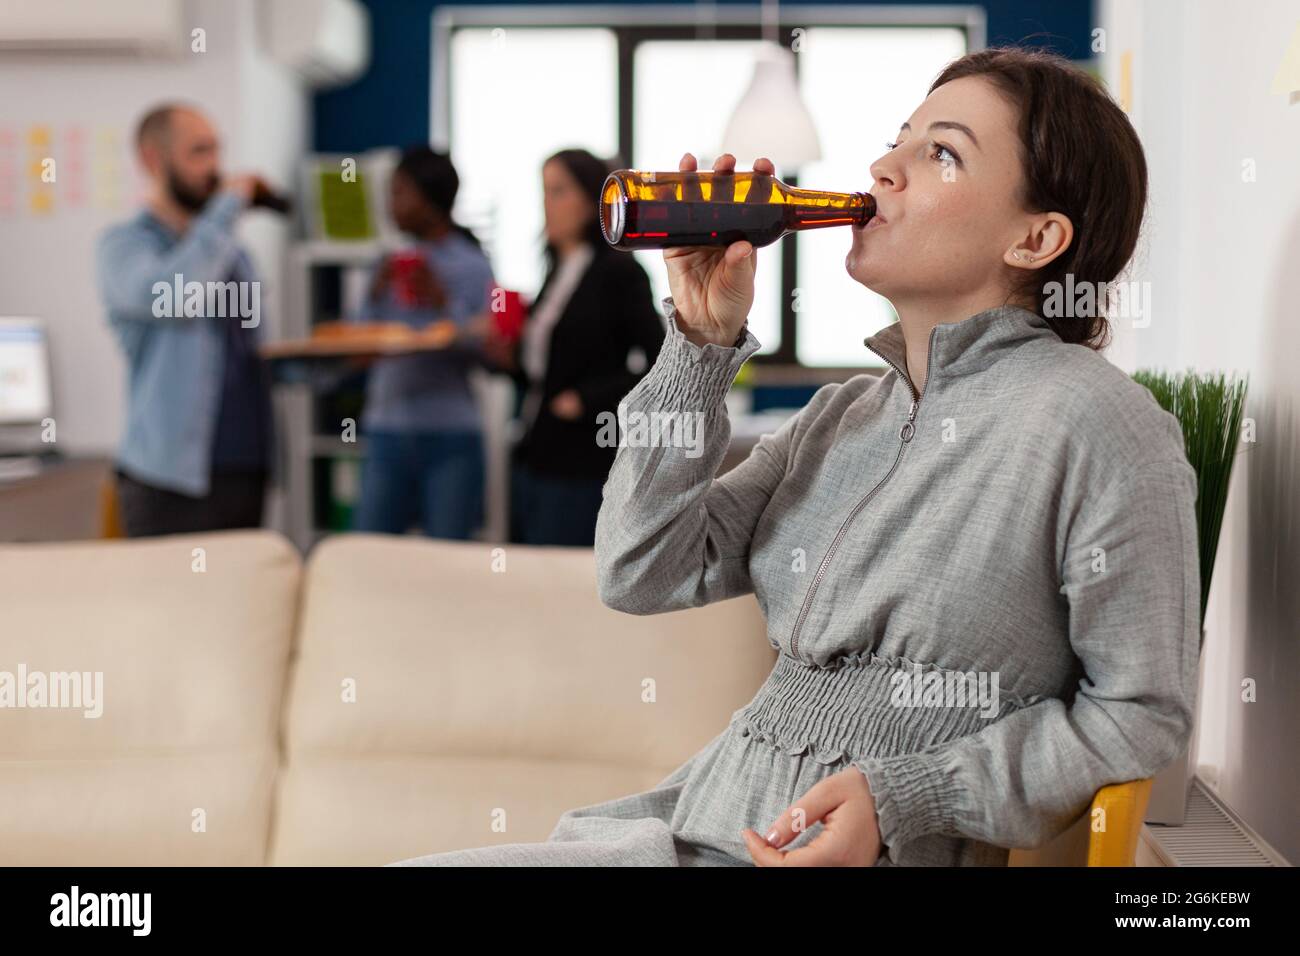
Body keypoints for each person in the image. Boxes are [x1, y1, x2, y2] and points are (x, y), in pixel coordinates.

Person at [391, 47, 1200, 867]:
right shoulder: (843, 415)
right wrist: (698, 347)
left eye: (942, 152)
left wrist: (904, 797)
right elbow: (640, 570)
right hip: (691, 831)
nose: (883, 168)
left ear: (1036, 238)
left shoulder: (1099, 424)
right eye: (898, 140)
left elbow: (1139, 713)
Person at [97, 103, 276, 537]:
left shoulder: (232, 255)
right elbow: (177, 296)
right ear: (152, 160)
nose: (215, 168)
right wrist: (227, 209)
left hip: (244, 469)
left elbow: (251, 353)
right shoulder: (125, 248)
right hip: (168, 482)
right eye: (199, 152)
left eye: (217, 151)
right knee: (170, 605)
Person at [497, 149, 665, 546]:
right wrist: (507, 359)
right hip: (535, 445)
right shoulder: (555, 270)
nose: (546, 205)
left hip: (583, 454)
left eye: (558, 192)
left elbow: (659, 362)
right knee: (529, 573)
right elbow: (544, 368)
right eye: (544, 192)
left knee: (561, 580)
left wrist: (586, 399)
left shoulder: (619, 272)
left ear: (592, 201)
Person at [350, 147, 496, 539]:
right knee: (370, 555)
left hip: (451, 435)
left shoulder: (471, 265)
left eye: (398, 193)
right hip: (385, 431)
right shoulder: (384, 263)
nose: (389, 205)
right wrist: (377, 294)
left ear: (430, 199)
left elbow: (488, 352)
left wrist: (441, 300)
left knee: (447, 566)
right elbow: (357, 351)